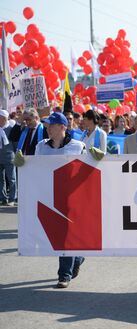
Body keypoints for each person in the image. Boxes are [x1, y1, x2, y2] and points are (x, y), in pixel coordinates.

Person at [35, 112, 87, 288]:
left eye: (51, 125)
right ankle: (77, 257)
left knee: (67, 236)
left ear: (63, 127)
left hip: (72, 198)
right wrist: (22, 163)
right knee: (59, 236)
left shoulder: (78, 146)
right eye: (47, 125)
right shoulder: (41, 146)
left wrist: (96, 158)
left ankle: (64, 275)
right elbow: (34, 168)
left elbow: (88, 171)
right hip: (50, 197)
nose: (47, 128)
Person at [0, 110, 16, 206]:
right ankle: (3, 198)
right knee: (1, 179)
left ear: (5, 119)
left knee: (12, 179)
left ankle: (12, 198)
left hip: (9, 157)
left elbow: (15, 143)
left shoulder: (11, 128)